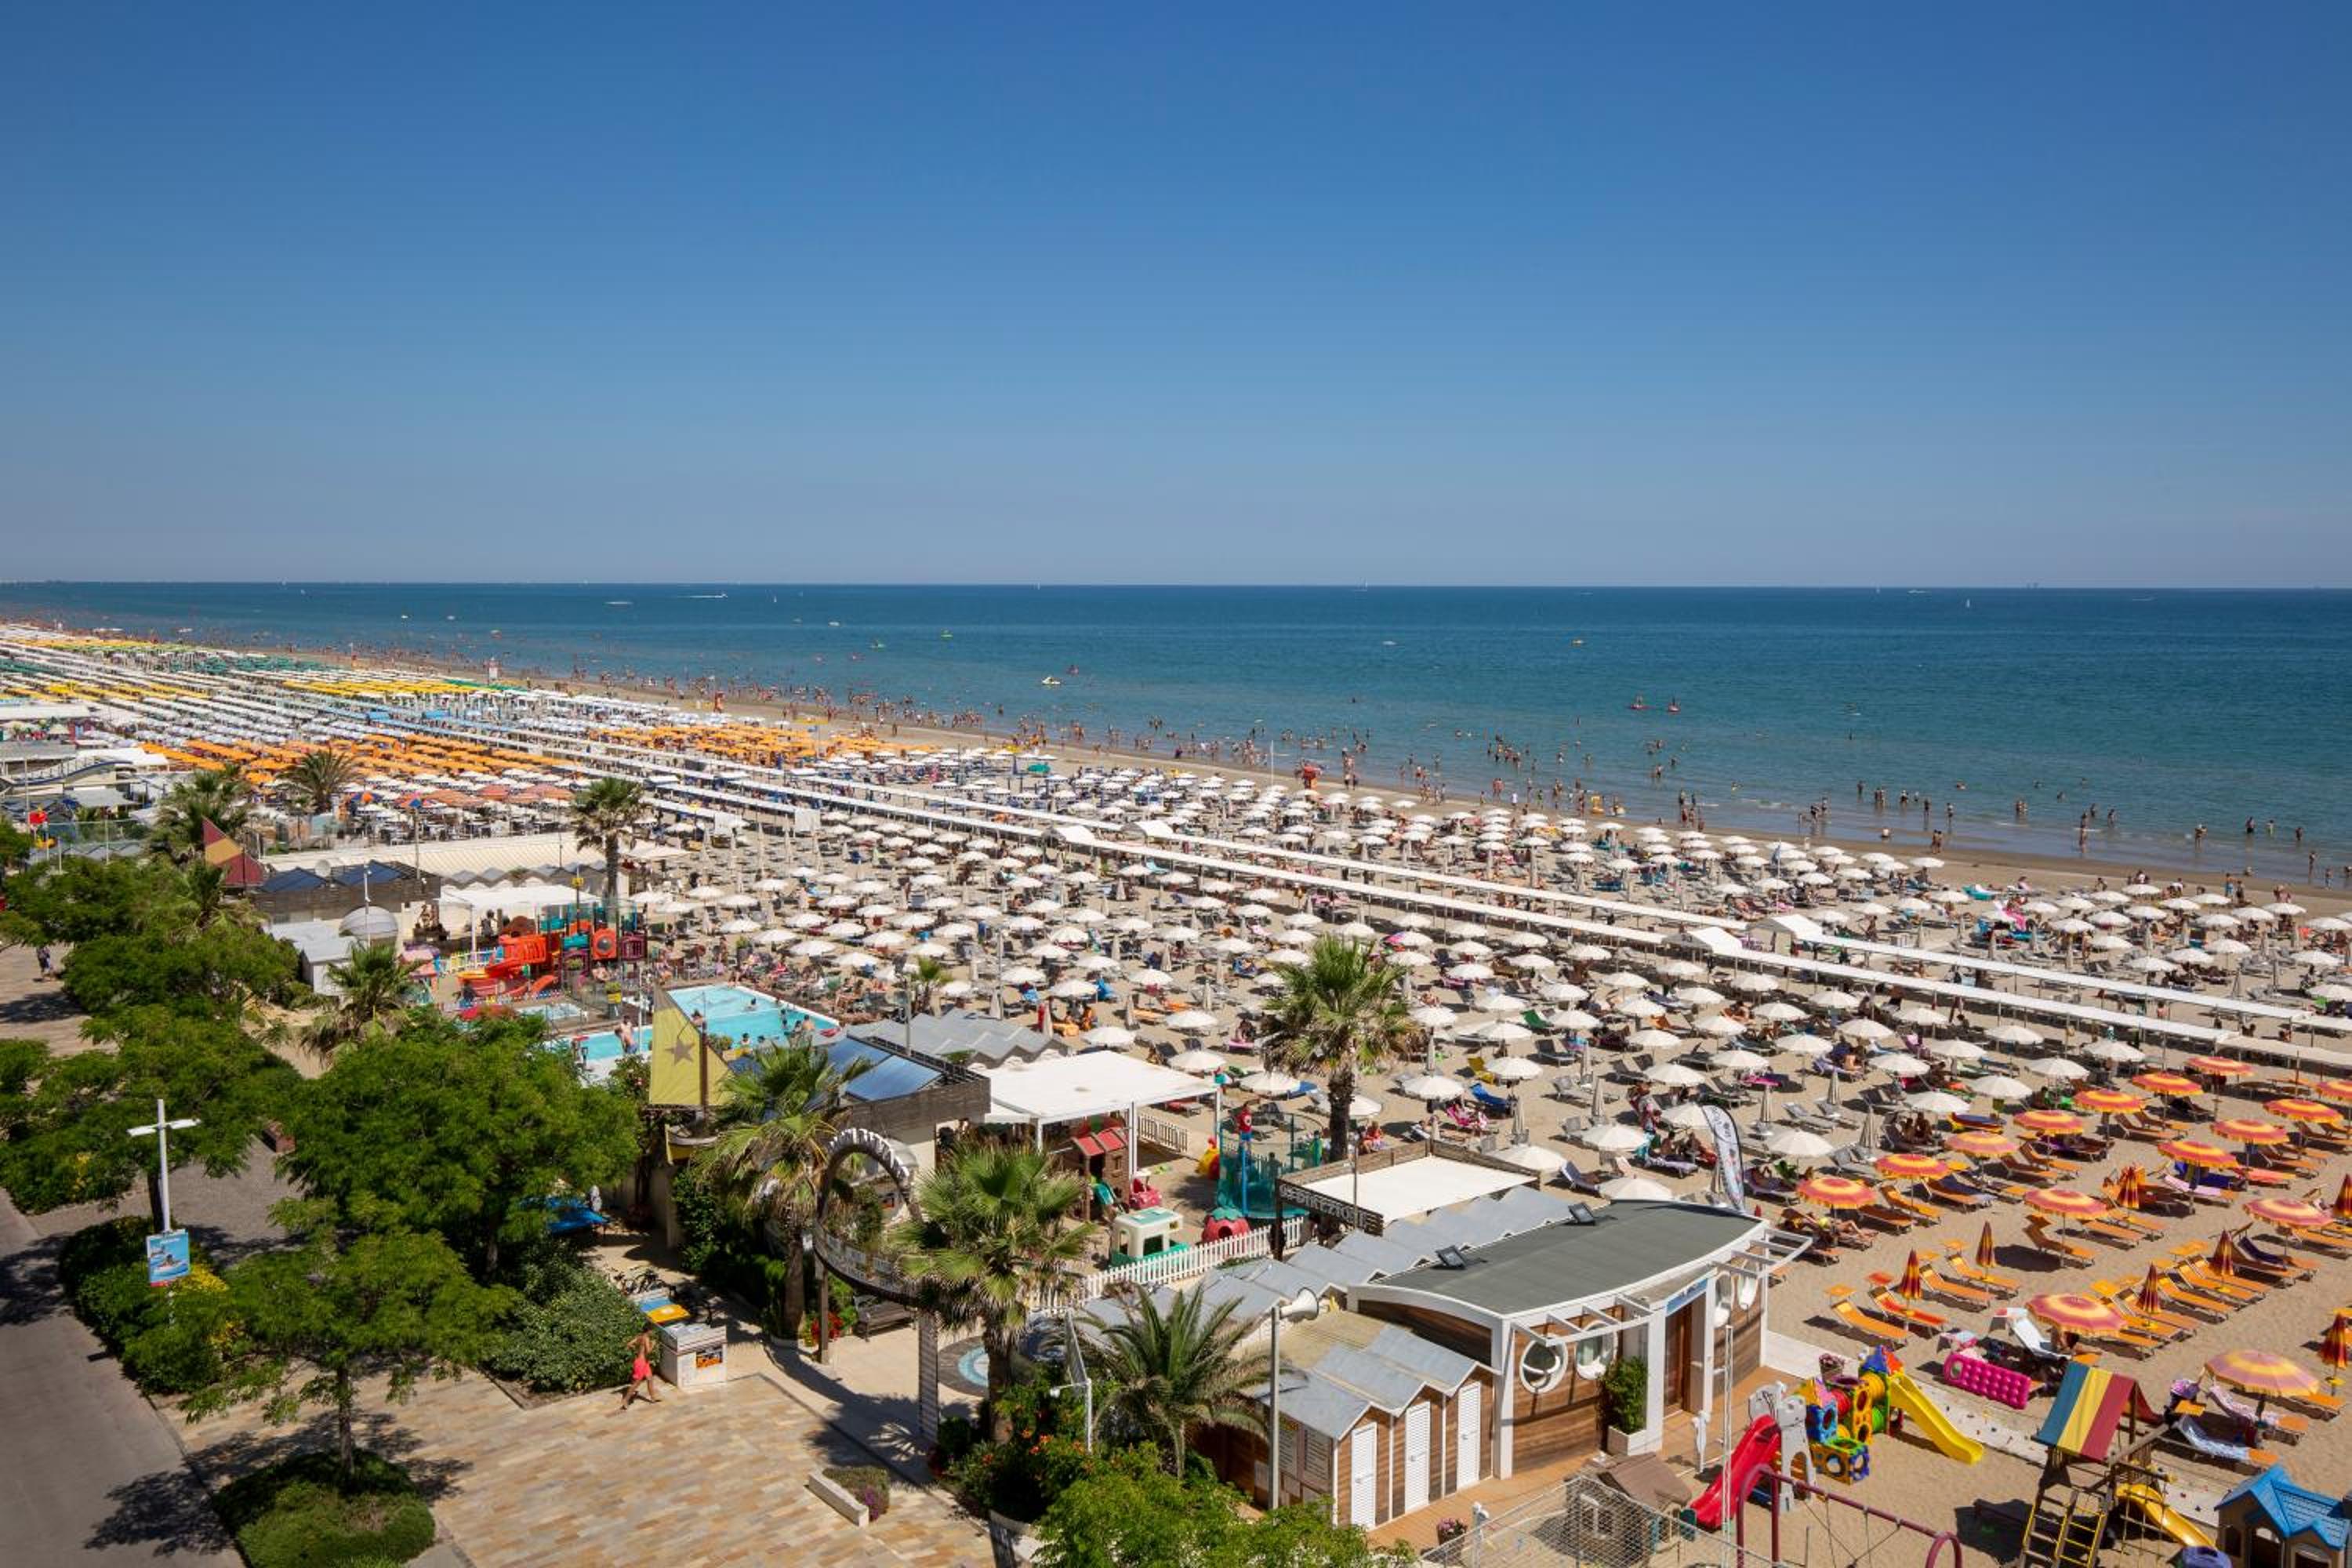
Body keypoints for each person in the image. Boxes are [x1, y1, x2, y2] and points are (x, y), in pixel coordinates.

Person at [619, 1329, 662, 1410]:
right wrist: (653, 1345)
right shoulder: (646, 1338)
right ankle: (625, 1400)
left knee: (650, 1379)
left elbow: (629, 1344)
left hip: (645, 1363)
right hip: (641, 1363)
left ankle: (653, 1398)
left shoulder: (639, 1337)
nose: (653, 1332)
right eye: (652, 1330)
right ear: (648, 1330)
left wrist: (636, 1350)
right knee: (636, 1383)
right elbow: (648, 1351)